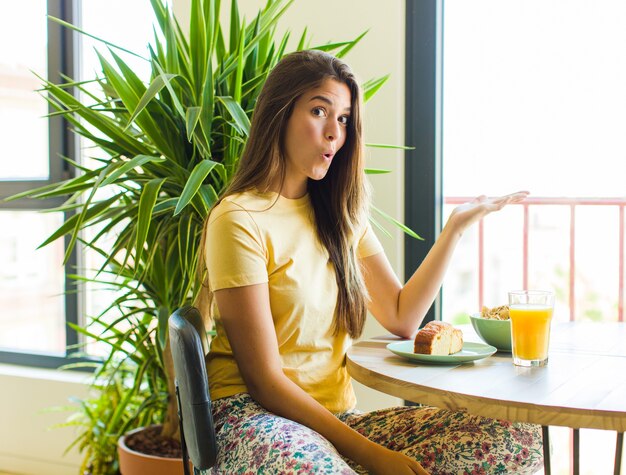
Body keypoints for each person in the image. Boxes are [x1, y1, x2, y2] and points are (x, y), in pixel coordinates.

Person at [198, 49, 542, 475]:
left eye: (342, 119)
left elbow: (401, 316)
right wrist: (373, 455)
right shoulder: (239, 219)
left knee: (512, 434)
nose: (332, 133)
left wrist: (454, 229)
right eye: (319, 111)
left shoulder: (340, 216)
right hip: (253, 419)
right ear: (280, 114)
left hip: (333, 423)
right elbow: (266, 381)